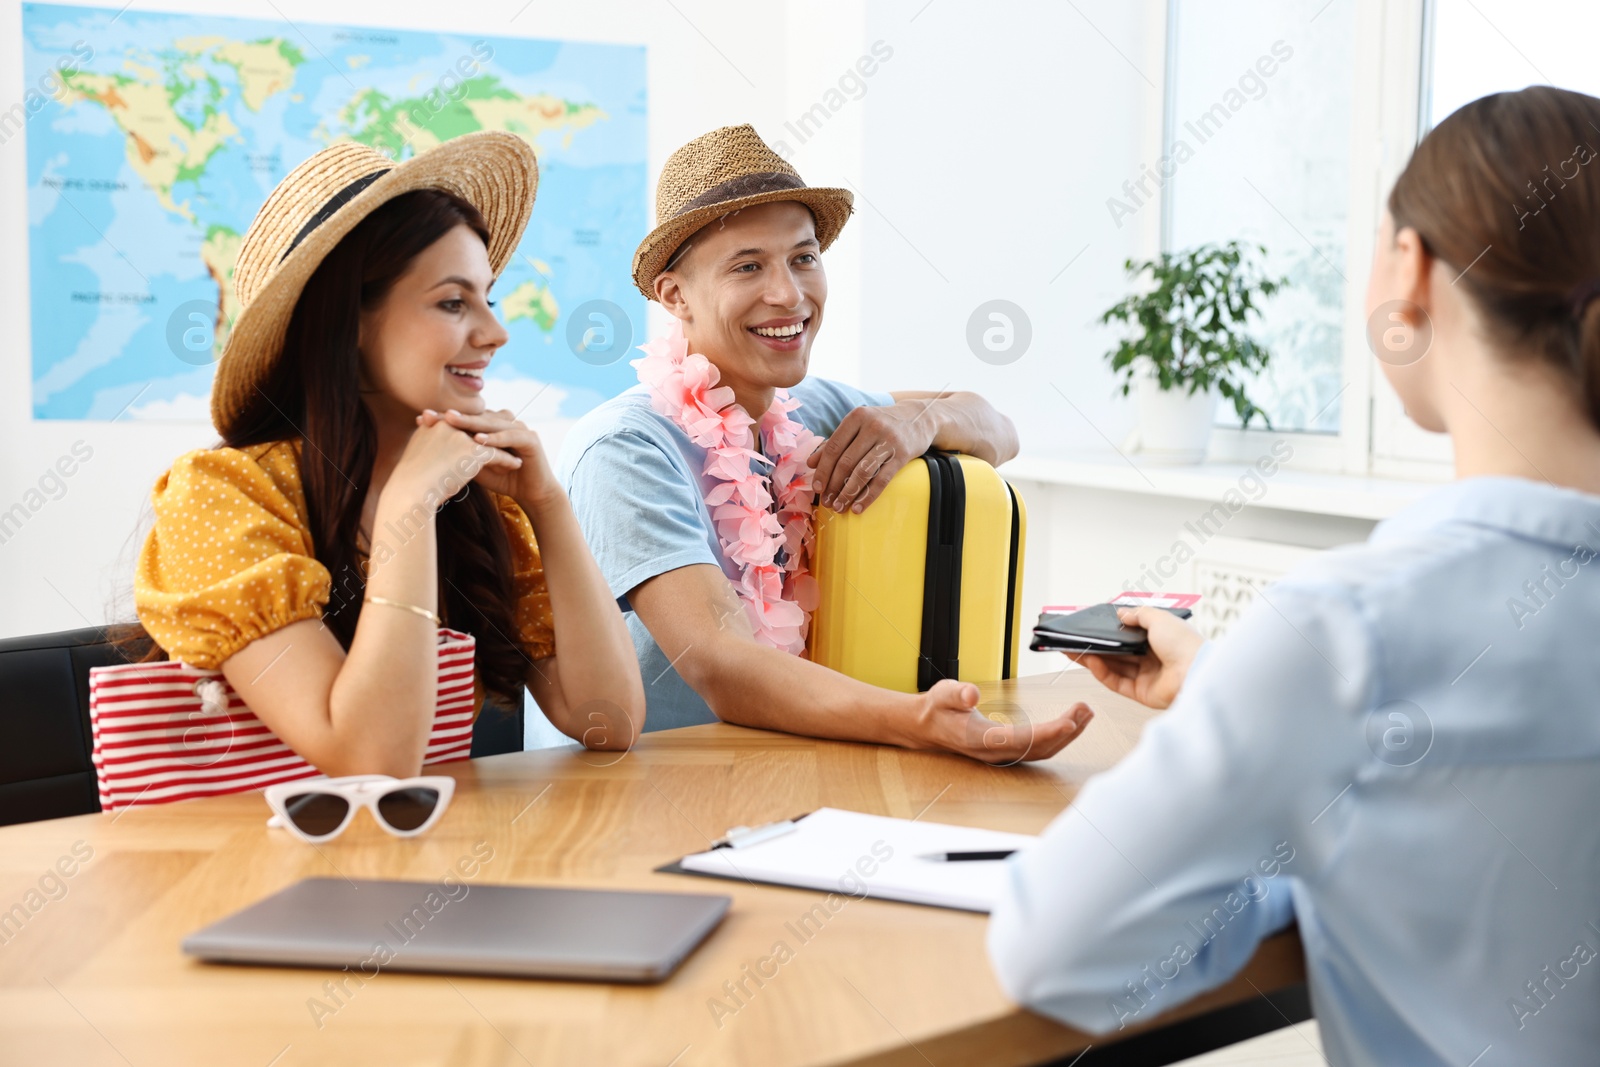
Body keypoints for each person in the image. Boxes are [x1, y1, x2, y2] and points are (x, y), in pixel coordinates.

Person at [987, 86, 1600, 1063]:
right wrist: (1241, 692)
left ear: (1410, 270)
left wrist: (1293, 812)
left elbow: (1055, 950)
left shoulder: (1346, 633)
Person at [558, 124, 1092, 762]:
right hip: (655, 793)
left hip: (804, 766)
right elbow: (723, 663)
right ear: (676, 295)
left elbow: (998, 428)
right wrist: (920, 720)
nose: (788, 294)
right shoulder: (624, 450)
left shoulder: (818, 411)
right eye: (748, 266)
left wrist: (918, 422)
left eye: (804, 258)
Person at [129, 132, 644, 780]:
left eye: (490, 297)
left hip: (402, 868)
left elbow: (610, 721)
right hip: (236, 877)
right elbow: (372, 759)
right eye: (453, 302)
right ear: (350, 322)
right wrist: (409, 503)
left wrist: (549, 505)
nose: (494, 332)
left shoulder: (475, 505)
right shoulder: (219, 493)